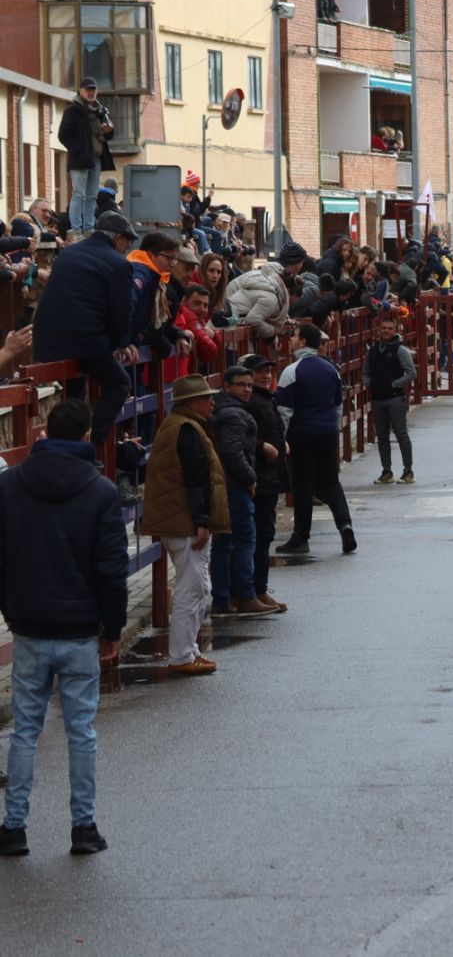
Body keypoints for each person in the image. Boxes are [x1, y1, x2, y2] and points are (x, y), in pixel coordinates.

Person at [0, 399, 127, 857]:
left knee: (25, 730)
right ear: (86, 435)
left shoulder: (10, 485)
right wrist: (111, 627)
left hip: (31, 622)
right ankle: (83, 827)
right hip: (79, 627)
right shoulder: (100, 491)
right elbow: (111, 568)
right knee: (81, 730)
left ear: (44, 432)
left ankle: (13, 827)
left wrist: (11, 610)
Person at [143, 375, 228, 675]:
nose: (211, 402)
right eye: (206, 398)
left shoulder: (176, 425)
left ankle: (189, 650)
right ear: (192, 402)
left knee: (195, 586)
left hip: (178, 518)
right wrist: (202, 520)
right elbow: (195, 479)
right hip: (185, 521)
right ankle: (181, 655)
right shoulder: (188, 429)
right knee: (192, 588)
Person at [30, 211, 134, 445]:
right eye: (128, 240)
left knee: (73, 395)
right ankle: (93, 444)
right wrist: (118, 344)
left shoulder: (69, 253)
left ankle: (67, 444)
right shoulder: (118, 263)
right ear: (117, 238)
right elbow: (121, 313)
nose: (127, 246)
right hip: (85, 341)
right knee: (119, 383)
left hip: (48, 341)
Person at [274, 324, 356, 555]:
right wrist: (335, 429)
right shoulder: (331, 370)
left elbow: (284, 411)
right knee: (331, 482)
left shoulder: (292, 371)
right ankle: (345, 525)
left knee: (302, 486)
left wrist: (282, 440)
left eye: (294, 336)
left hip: (301, 435)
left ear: (302, 343)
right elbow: (338, 405)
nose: (290, 340)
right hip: (327, 432)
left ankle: (301, 537)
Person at [210, 365, 277, 619]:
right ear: (228, 385)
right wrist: (251, 479)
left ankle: (224, 599)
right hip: (235, 485)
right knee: (244, 539)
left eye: (250, 385)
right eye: (242, 384)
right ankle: (245, 595)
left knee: (225, 542)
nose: (247, 389)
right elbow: (233, 452)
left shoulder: (225, 409)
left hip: (225, 484)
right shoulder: (235, 414)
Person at [238, 354, 288, 614]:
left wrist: (279, 442)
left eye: (268, 370)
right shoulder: (250, 401)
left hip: (268, 475)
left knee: (262, 534)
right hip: (260, 476)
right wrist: (263, 446)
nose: (266, 375)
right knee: (257, 535)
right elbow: (241, 436)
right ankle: (254, 589)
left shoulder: (263, 398)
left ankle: (257, 588)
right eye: (259, 371)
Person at [58, 78, 115, 234]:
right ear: (80, 90)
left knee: (91, 197)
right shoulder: (73, 110)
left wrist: (109, 131)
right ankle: (76, 228)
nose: (91, 92)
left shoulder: (100, 111)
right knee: (78, 194)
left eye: (94, 89)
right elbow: (63, 135)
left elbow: (107, 136)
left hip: (96, 159)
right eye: (88, 89)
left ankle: (89, 228)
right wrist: (78, 151)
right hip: (80, 160)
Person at [364, 316, 416, 483]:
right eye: (383, 328)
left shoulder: (401, 351)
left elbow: (411, 373)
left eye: (390, 328)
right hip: (377, 399)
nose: (386, 331)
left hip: (395, 398)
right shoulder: (371, 351)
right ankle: (387, 471)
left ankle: (408, 471)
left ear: (395, 330)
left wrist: (394, 385)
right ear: (379, 330)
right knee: (382, 436)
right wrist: (369, 384)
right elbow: (365, 373)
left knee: (401, 434)